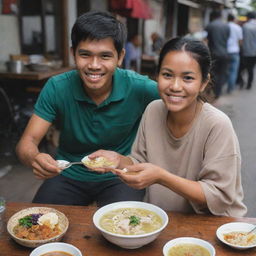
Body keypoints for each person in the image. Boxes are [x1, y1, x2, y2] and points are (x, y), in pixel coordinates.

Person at [89, 37, 247, 217]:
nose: (175, 86)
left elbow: (218, 196)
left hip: (213, 225)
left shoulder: (217, 124)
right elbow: (139, 162)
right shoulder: (153, 110)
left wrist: (161, 177)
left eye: (187, 78)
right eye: (167, 75)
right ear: (157, 76)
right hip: (162, 217)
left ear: (203, 82)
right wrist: (117, 160)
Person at [15, 11, 159, 206]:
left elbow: (185, 105)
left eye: (105, 56)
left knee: (126, 228)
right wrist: (35, 158)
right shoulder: (57, 87)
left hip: (119, 174)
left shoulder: (140, 87)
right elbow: (27, 142)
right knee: (38, 224)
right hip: (67, 172)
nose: (94, 65)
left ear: (120, 57)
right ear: (73, 53)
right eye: (85, 55)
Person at [205, 10, 230, 99]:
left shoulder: (210, 25)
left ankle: (212, 91)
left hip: (213, 53)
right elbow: (226, 39)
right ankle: (218, 93)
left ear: (212, 16)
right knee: (222, 73)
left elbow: (206, 40)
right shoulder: (226, 26)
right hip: (225, 53)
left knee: (213, 73)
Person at [226, 13, 243, 94]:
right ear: (233, 19)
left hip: (225, 51)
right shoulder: (238, 28)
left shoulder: (224, 26)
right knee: (233, 71)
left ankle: (222, 85)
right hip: (235, 51)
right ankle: (230, 88)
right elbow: (240, 41)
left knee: (225, 70)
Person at [240, 11, 256, 90]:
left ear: (248, 17)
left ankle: (241, 82)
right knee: (251, 69)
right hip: (254, 52)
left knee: (241, 68)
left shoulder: (245, 26)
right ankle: (249, 84)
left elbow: (241, 39)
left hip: (245, 51)